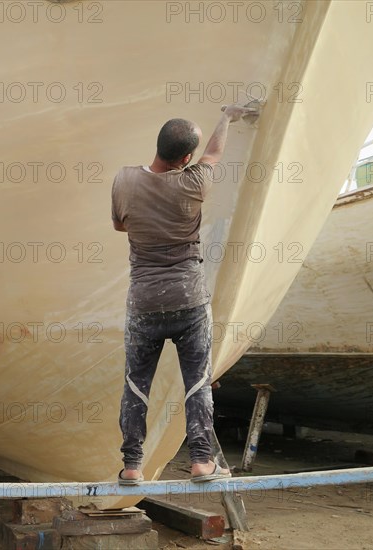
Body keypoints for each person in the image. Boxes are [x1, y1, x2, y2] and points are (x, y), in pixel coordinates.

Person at [111, 104, 247, 485]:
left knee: (136, 385)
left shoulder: (124, 180)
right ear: (187, 159)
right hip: (189, 301)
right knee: (198, 381)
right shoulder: (196, 182)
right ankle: (202, 461)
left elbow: (121, 224)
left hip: (144, 303)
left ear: (157, 145)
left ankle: (132, 466)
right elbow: (215, 153)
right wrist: (228, 117)